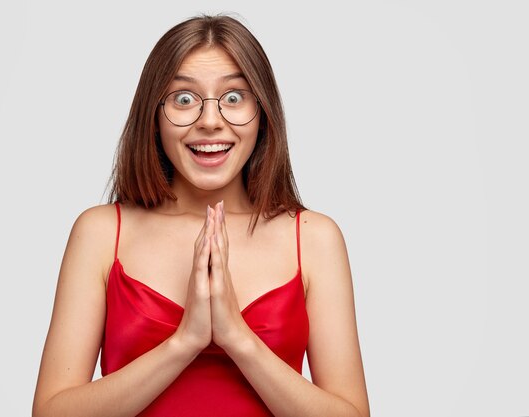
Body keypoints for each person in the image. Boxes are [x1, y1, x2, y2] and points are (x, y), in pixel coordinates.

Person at [32, 14, 369, 417]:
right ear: (154, 117)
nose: (210, 122)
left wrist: (237, 338)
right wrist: (185, 342)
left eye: (233, 97)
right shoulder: (102, 233)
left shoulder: (314, 238)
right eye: (184, 99)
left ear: (262, 113)